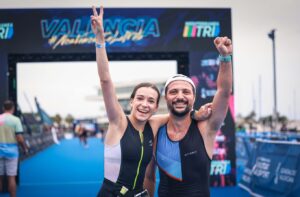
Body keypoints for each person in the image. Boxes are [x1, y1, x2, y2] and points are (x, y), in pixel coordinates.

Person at [90, 6, 212, 197]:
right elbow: (105, 80)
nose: (144, 104)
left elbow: (178, 113)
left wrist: (196, 114)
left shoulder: (153, 125)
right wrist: (100, 40)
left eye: (150, 101)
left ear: (156, 107)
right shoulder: (118, 122)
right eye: (139, 98)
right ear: (131, 102)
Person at [153, 36, 233, 196]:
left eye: (186, 92)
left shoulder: (206, 127)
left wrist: (225, 57)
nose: (180, 96)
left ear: (194, 98)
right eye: (173, 92)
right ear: (165, 98)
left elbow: (223, 92)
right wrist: (194, 113)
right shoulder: (155, 129)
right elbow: (148, 176)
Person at [0, 100, 28, 197]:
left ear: (3, 108)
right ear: (13, 108)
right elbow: (19, 138)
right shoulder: (16, 120)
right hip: (12, 152)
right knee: (11, 178)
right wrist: (25, 148)